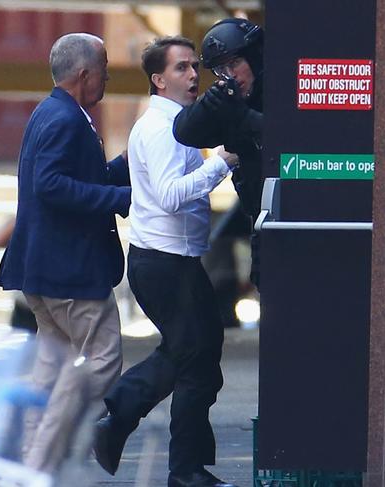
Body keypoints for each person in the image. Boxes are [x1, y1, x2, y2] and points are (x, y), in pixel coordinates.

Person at [93, 36, 239, 487]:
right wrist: (222, 163)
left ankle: (169, 454)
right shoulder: (160, 129)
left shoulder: (180, 123)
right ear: (158, 80)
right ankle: (132, 423)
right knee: (194, 358)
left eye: (194, 66)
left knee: (200, 356)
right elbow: (171, 196)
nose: (194, 75)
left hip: (177, 260)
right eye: (181, 68)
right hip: (162, 262)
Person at [0, 32, 131, 471]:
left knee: (49, 372)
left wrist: (128, 166)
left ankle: (29, 462)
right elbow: (50, 185)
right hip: (70, 272)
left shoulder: (50, 112)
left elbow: (79, 177)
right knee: (103, 359)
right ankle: (47, 453)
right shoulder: (66, 120)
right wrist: (119, 200)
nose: (108, 77)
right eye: (105, 70)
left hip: (43, 271)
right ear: (84, 74)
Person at [173, 18, 264, 288]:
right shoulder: (232, 99)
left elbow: (290, 136)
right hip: (260, 220)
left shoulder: (280, 89)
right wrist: (210, 104)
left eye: (234, 63)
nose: (230, 74)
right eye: (220, 69)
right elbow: (184, 132)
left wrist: (243, 116)